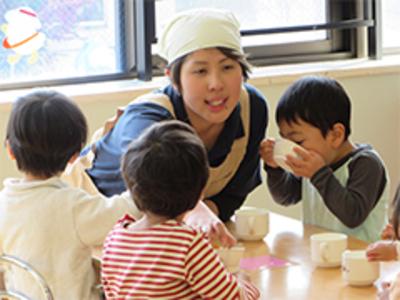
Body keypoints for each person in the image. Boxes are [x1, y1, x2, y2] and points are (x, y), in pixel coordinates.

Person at [80, 8, 268, 227]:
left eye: (227, 67)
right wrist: (194, 213)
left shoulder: (251, 108)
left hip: (163, 235)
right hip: (91, 226)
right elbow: (156, 180)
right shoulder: (146, 118)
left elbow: (233, 194)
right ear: (173, 78)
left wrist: (205, 219)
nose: (216, 83)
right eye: (200, 71)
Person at [0, 90, 140, 300]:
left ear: (10, 150)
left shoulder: (4, 204)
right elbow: (127, 210)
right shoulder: (73, 207)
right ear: (74, 156)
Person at [101, 120, 260, 299]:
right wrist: (244, 281)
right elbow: (235, 298)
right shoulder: (188, 244)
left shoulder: (114, 239)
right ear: (200, 193)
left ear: (131, 186)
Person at [260, 75, 388, 242]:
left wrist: (319, 174)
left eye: (298, 141)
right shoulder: (312, 164)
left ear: (335, 135)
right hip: (322, 256)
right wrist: (274, 168)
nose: (292, 148)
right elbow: (285, 196)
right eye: (285, 140)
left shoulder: (366, 164)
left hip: (361, 259)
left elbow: (353, 215)